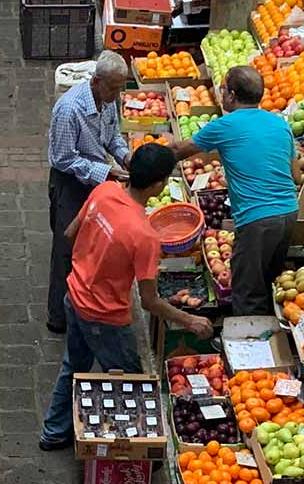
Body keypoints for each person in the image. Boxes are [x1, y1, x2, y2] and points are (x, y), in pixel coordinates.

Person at [40, 141, 215, 450]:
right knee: (130, 380)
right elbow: (149, 300)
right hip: (104, 316)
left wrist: (97, 255)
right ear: (158, 184)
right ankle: (132, 451)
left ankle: (53, 433)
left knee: (74, 366)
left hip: (75, 295)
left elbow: (69, 233)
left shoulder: (104, 191)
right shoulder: (144, 236)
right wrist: (190, 320)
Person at [177, 66, 300, 316]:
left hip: (257, 219)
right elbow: (296, 175)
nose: (221, 93)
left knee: (246, 290)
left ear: (232, 95)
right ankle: (272, 331)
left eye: (222, 89)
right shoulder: (279, 123)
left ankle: (251, 335)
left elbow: (180, 150)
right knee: (271, 280)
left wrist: (145, 162)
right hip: (289, 213)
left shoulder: (225, 125)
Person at [44, 50, 133, 333]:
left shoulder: (108, 101)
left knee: (90, 246)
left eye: (120, 88)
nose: (117, 94)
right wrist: (106, 172)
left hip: (97, 181)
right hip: (70, 183)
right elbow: (63, 159)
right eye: (114, 88)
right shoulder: (69, 109)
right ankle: (58, 316)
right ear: (96, 81)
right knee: (65, 249)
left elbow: (112, 137)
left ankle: (82, 306)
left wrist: (126, 157)